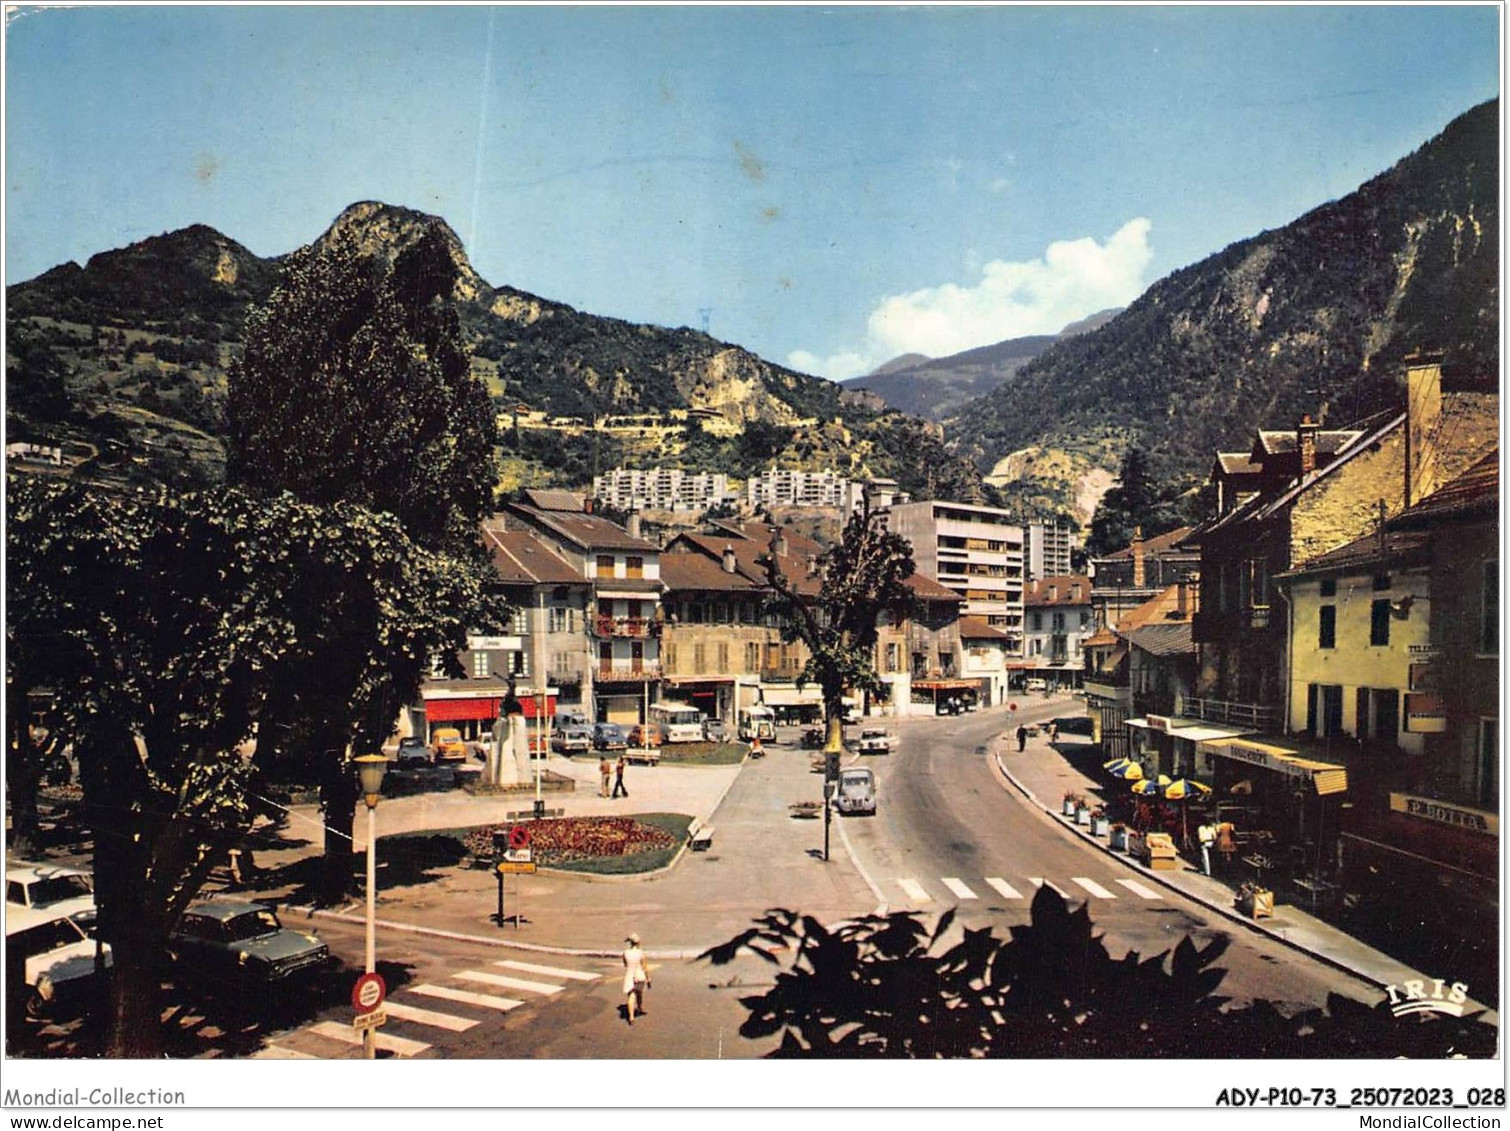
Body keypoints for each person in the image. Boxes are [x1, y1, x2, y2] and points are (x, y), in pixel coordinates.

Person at [622, 932, 650, 1024]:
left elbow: (625, 964)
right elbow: (645, 967)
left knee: (631, 995)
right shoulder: (641, 953)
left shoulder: (625, 953)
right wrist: (648, 978)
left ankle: (631, 1017)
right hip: (639, 975)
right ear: (638, 943)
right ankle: (639, 1008)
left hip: (630, 975)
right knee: (639, 993)